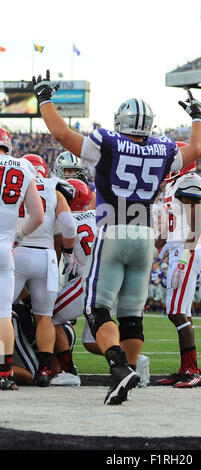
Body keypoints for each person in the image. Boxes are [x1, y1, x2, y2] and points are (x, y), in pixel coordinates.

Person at [32, 70, 201, 405]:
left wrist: (44, 98)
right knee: (131, 315)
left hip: (112, 229)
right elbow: (196, 147)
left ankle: (118, 367)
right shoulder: (164, 149)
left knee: (96, 310)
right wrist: (197, 116)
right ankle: (127, 372)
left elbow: (61, 134)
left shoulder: (108, 143)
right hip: (144, 235)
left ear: (120, 121)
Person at [12, 153, 77, 387]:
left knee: (2, 311)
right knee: (45, 317)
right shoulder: (54, 187)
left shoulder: (16, 181)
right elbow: (69, 225)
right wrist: (68, 251)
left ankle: (3, 364)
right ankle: (45, 369)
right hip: (46, 255)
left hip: (17, 250)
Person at [155, 141, 201, 388]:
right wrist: (152, 252)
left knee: (176, 311)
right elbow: (167, 230)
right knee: (179, 310)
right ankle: (186, 367)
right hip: (178, 249)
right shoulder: (172, 185)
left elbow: (194, 224)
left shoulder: (191, 180)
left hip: (188, 249)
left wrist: (184, 257)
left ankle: (192, 369)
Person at [0, 129, 44, 390]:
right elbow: (37, 217)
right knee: (3, 313)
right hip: (5, 247)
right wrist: (16, 237)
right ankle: (4, 374)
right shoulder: (24, 167)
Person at [51, 178, 94, 387]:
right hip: (110, 280)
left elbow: (58, 255)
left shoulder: (65, 221)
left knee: (49, 315)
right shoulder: (101, 216)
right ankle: (133, 360)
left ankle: (68, 371)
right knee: (92, 341)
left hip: (87, 280)